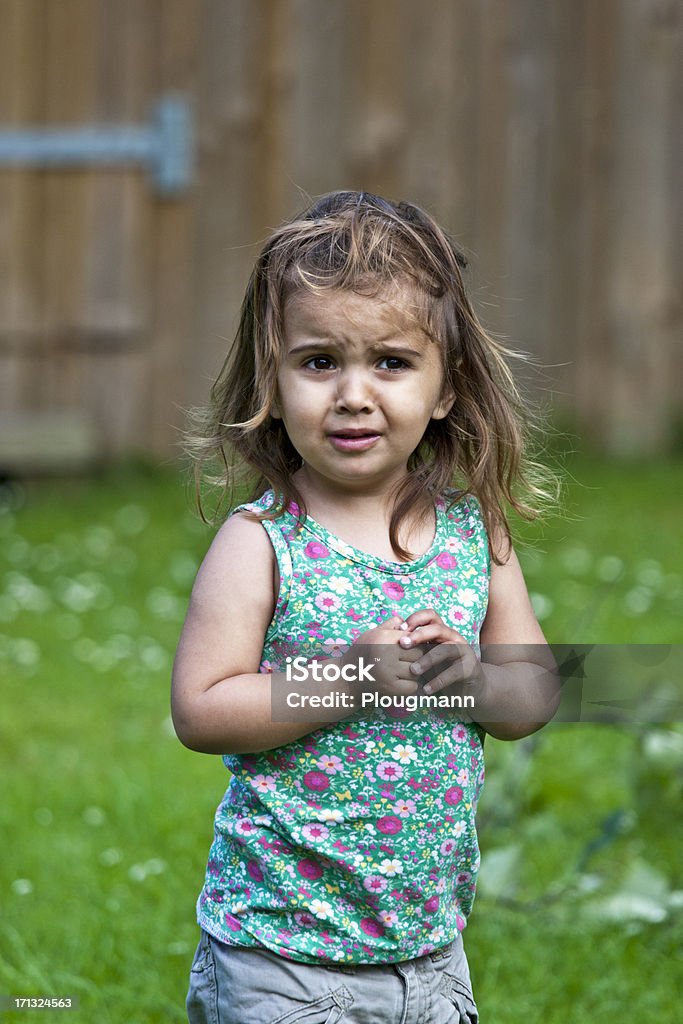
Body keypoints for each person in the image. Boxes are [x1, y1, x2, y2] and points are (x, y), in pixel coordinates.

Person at [172, 190, 561, 1023]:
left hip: (427, 953)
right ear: (272, 382)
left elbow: (531, 696)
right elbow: (201, 710)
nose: (353, 394)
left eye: (389, 362)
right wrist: (345, 682)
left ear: (446, 387)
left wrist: (475, 683)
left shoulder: (472, 533)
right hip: (278, 952)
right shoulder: (263, 540)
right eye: (318, 362)